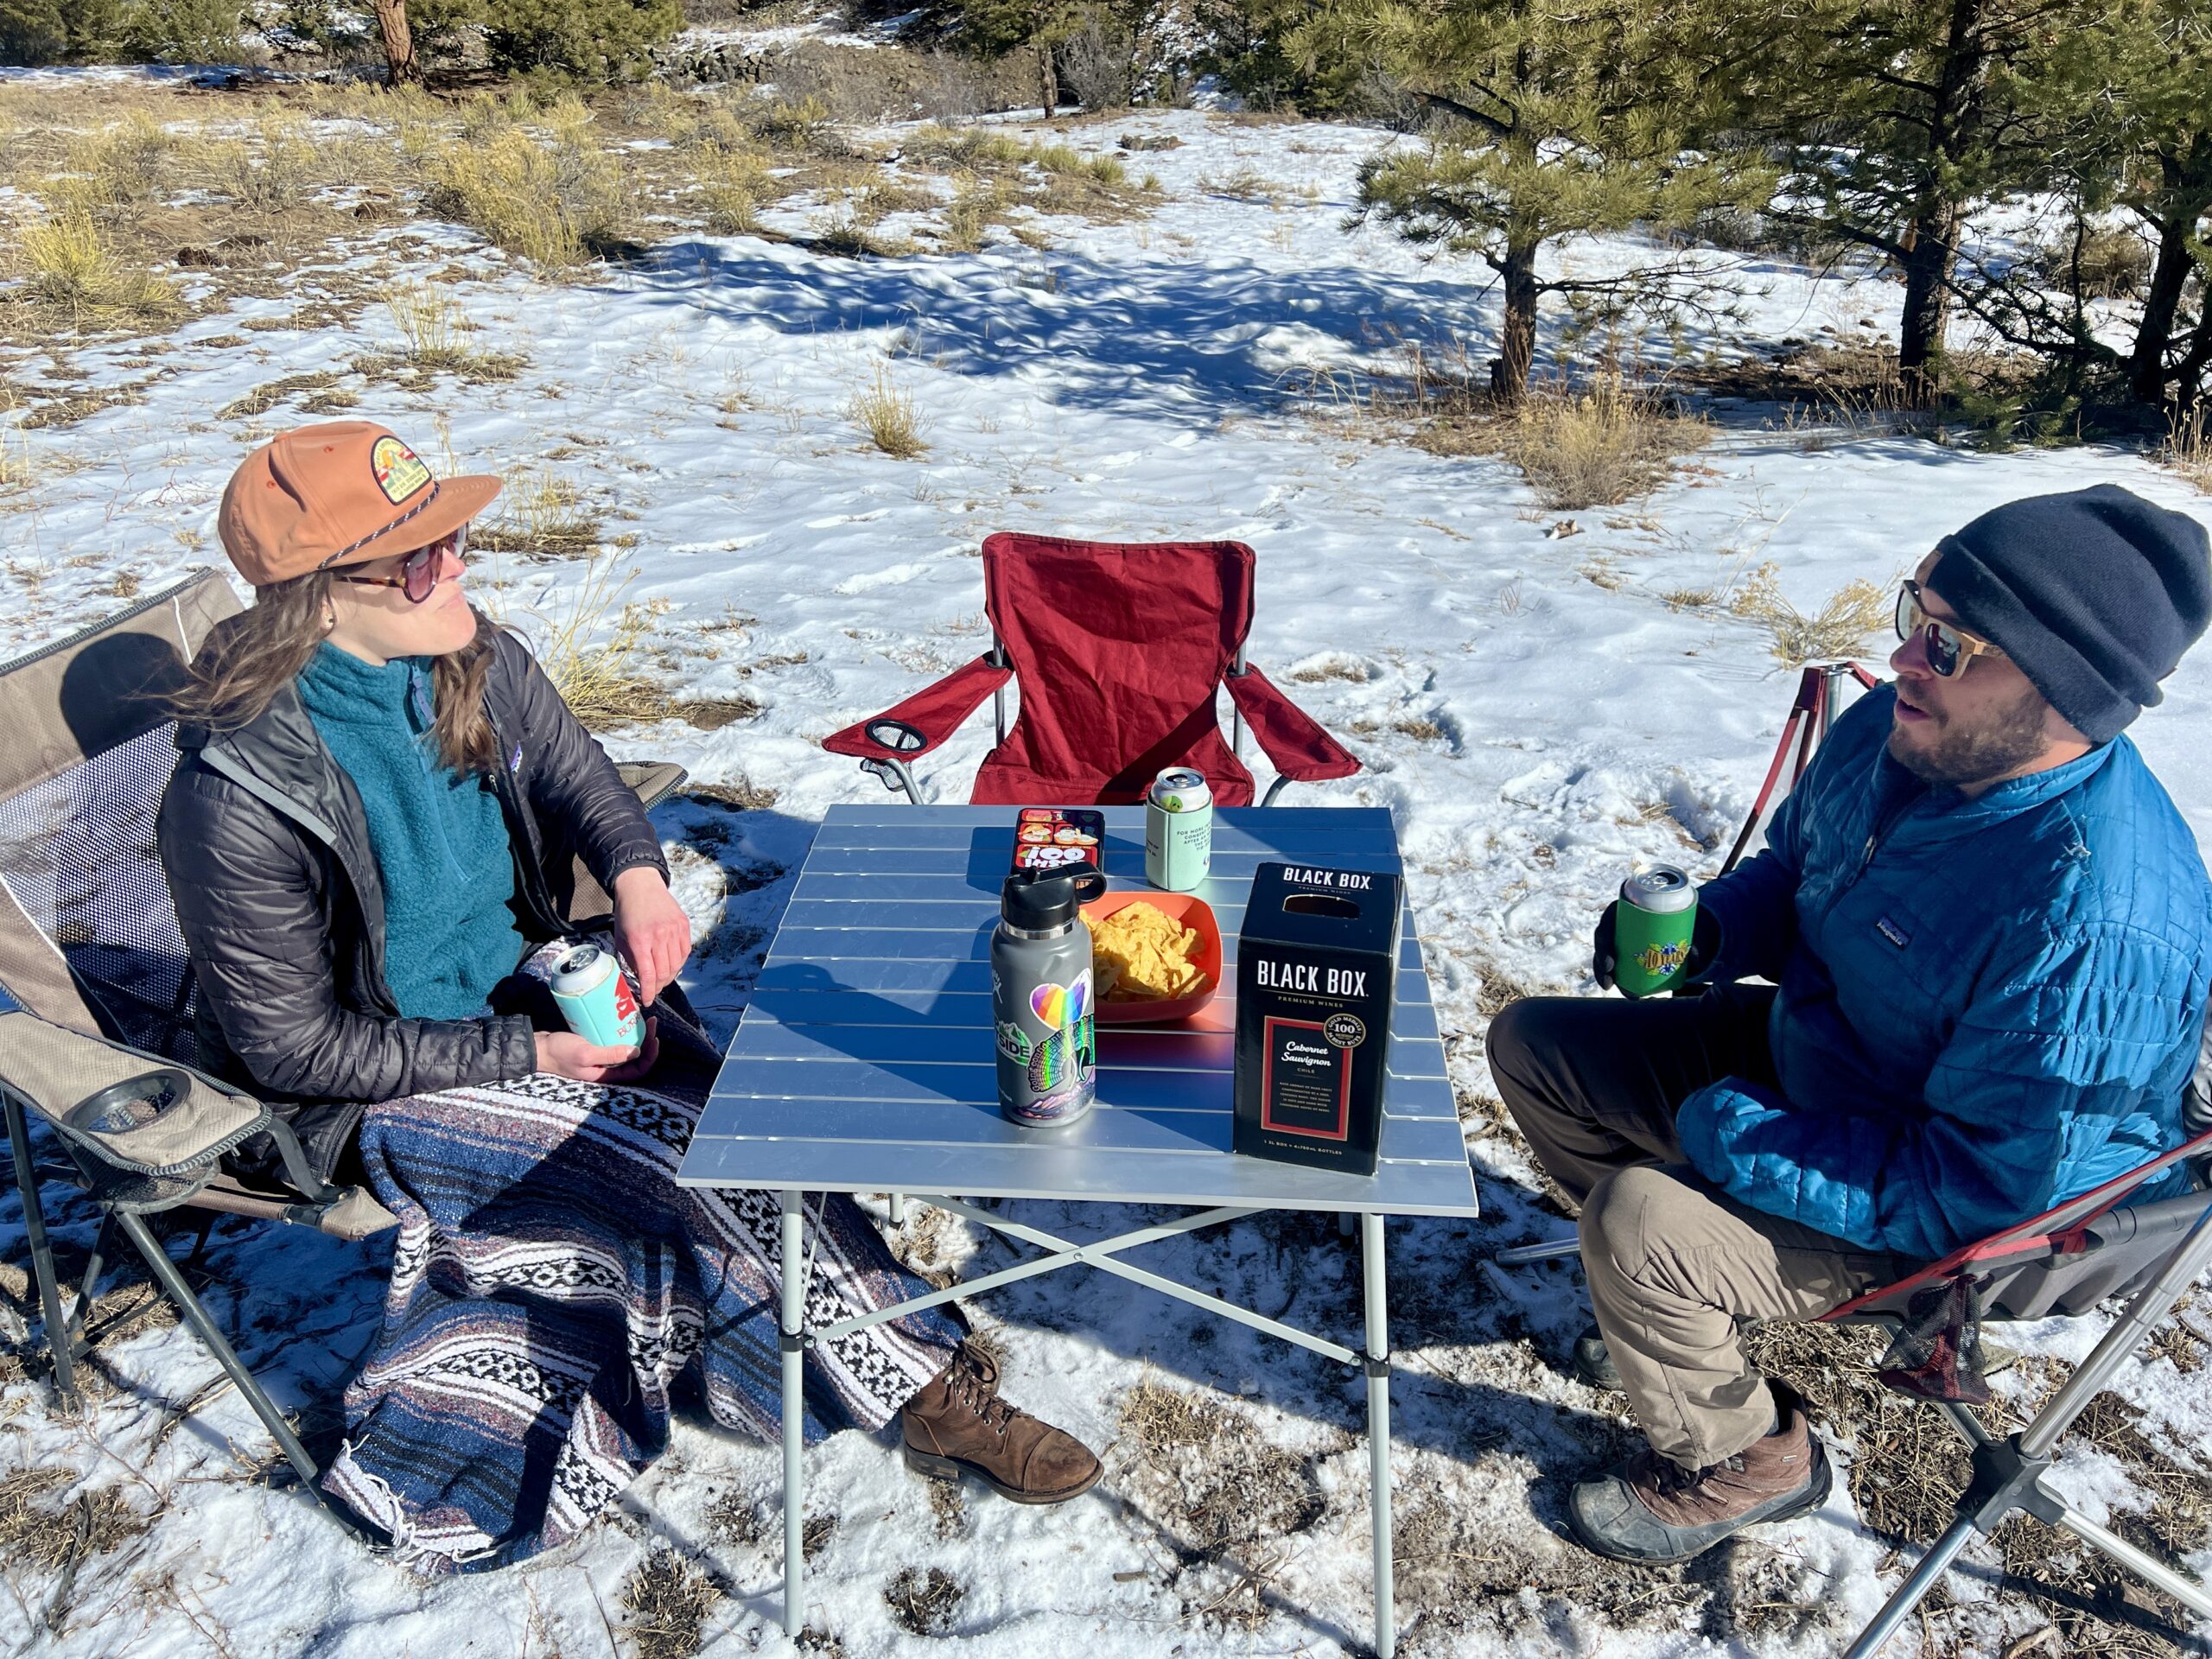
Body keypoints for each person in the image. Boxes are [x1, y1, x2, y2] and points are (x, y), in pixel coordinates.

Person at [158, 421, 1101, 1570]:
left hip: (538, 986)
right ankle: (919, 1390)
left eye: (453, 536)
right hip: (387, 1087)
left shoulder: (468, 656)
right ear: (315, 599)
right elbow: (296, 1047)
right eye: (416, 558)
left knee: (761, 1114)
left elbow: (579, 776)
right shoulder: (235, 796)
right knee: (677, 1162)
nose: (455, 565)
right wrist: (530, 1056)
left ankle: (815, 1333)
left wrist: (640, 878)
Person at [1490, 483, 2212, 1566]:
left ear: (2069, 694)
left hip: (1963, 1218)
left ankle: (1751, 1456)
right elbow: (1801, 869)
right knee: (1536, 1049)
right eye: (1917, 612)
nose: (1910, 659)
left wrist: (1749, 1144)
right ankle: (1673, 1324)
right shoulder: (1906, 728)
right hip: (1827, 1058)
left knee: (1639, 1223)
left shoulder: (2090, 922)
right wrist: (1713, 937)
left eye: (1956, 645)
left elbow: (1982, 1191)